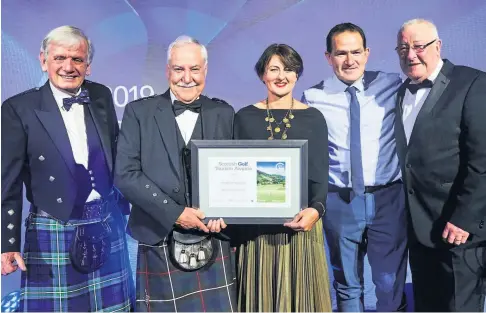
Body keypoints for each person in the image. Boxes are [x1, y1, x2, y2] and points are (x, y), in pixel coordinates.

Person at [1, 26, 132, 312]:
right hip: (53, 227)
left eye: (77, 59)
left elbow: (115, 155)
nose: (68, 67)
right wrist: (7, 242)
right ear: (43, 60)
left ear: (88, 64)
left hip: (105, 226)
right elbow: (7, 182)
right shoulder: (18, 108)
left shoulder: (100, 95)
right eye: (60, 58)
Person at [115, 35, 237, 312]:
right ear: (168, 70)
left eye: (195, 69)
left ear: (205, 70)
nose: (187, 77)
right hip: (159, 233)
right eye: (179, 69)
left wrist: (225, 211)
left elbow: (235, 171)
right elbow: (125, 174)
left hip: (213, 235)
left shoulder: (224, 112)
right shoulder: (139, 112)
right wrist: (176, 213)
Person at [302, 23, 408, 312]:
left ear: (367, 53)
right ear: (328, 57)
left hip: (388, 199)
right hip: (340, 201)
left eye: (356, 52)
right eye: (341, 53)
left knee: (389, 285)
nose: (350, 60)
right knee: (347, 286)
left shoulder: (393, 84)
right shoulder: (313, 98)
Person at [394, 18, 486, 312]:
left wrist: (465, 218)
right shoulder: (400, 92)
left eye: (419, 46)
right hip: (419, 229)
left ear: (438, 46)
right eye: (403, 48)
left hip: (459, 229)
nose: (410, 55)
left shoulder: (472, 83)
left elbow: (482, 160)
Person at [233, 43, 332, 312]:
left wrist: (316, 209)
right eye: (274, 69)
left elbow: (321, 176)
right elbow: (234, 171)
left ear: (297, 74)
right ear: (262, 74)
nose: (281, 76)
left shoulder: (314, 118)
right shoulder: (243, 117)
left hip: (301, 225)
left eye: (288, 69)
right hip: (256, 233)